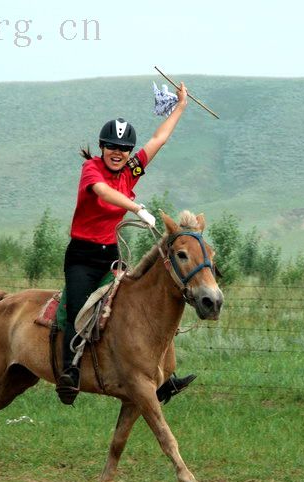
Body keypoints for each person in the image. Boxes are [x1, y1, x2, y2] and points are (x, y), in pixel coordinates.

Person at [56, 82, 197, 406]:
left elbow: (158, 139)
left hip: (111, 254)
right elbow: (103, 193)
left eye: (123, 149)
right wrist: (137, 208)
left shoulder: (131, 171)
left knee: (139, 308)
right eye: (112, 147)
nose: (118, 153)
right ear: (103, 147)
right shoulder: (91, 169)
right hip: (81, 255)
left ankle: (160, 377)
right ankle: (69, 374)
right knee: (77, 309)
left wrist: (181, 107)